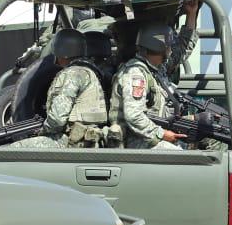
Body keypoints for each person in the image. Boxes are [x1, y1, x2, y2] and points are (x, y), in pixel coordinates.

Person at [111, 22, 184, 150]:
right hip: (137, 140)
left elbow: (180, 53)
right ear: (159, 46)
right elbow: (134, 116)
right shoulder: (136, 73)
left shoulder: (154, 70)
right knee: (183, 156)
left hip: (150, 136)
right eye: (168, 46)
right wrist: (162, 134)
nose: (170, 50)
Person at [38, 28, 115, 148]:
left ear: (61, 50)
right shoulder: (94, 72)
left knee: (16, 148)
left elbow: (57, 120)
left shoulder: (72, 74)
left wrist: (42, 130)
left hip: (73, 141)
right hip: (94, 138)